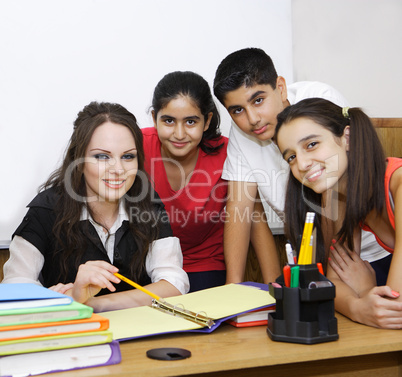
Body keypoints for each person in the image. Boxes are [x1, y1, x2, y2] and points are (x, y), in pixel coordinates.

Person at [213, 47, 389, 285]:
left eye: (258, 100)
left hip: (365, 254)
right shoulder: (243, 133)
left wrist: (330, 279)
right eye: (237, 110)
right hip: (313, 258)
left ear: (281, 87)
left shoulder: (318, 99)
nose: (252, 118)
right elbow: (242, 208)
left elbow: (334, 197)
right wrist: (232, 286)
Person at [2, 101, 189, 312]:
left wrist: (88, 302)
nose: (118, 169)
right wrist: (65, 297)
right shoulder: (45, 210)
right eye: (102, 156)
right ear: (78, 161)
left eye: (128, 156)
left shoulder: (147, 203)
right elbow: (14, 289)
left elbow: (174, 284)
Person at [275, 97, 402, 329]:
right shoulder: (339, 196)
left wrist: (364, 291)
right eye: (291, 157)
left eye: (311, 144)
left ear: (347, 138)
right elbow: (333, 282)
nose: (301, 164)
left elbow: (394, 309)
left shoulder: (399, 184)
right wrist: (356, 305)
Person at [142, 71, 228, 292]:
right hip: (147, 261)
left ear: (207, 121)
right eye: (169, 121)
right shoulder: (135, 147)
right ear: (154, 119)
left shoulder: (228, 153)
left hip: (203, 261)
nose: (179, 134)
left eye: (190, 121)